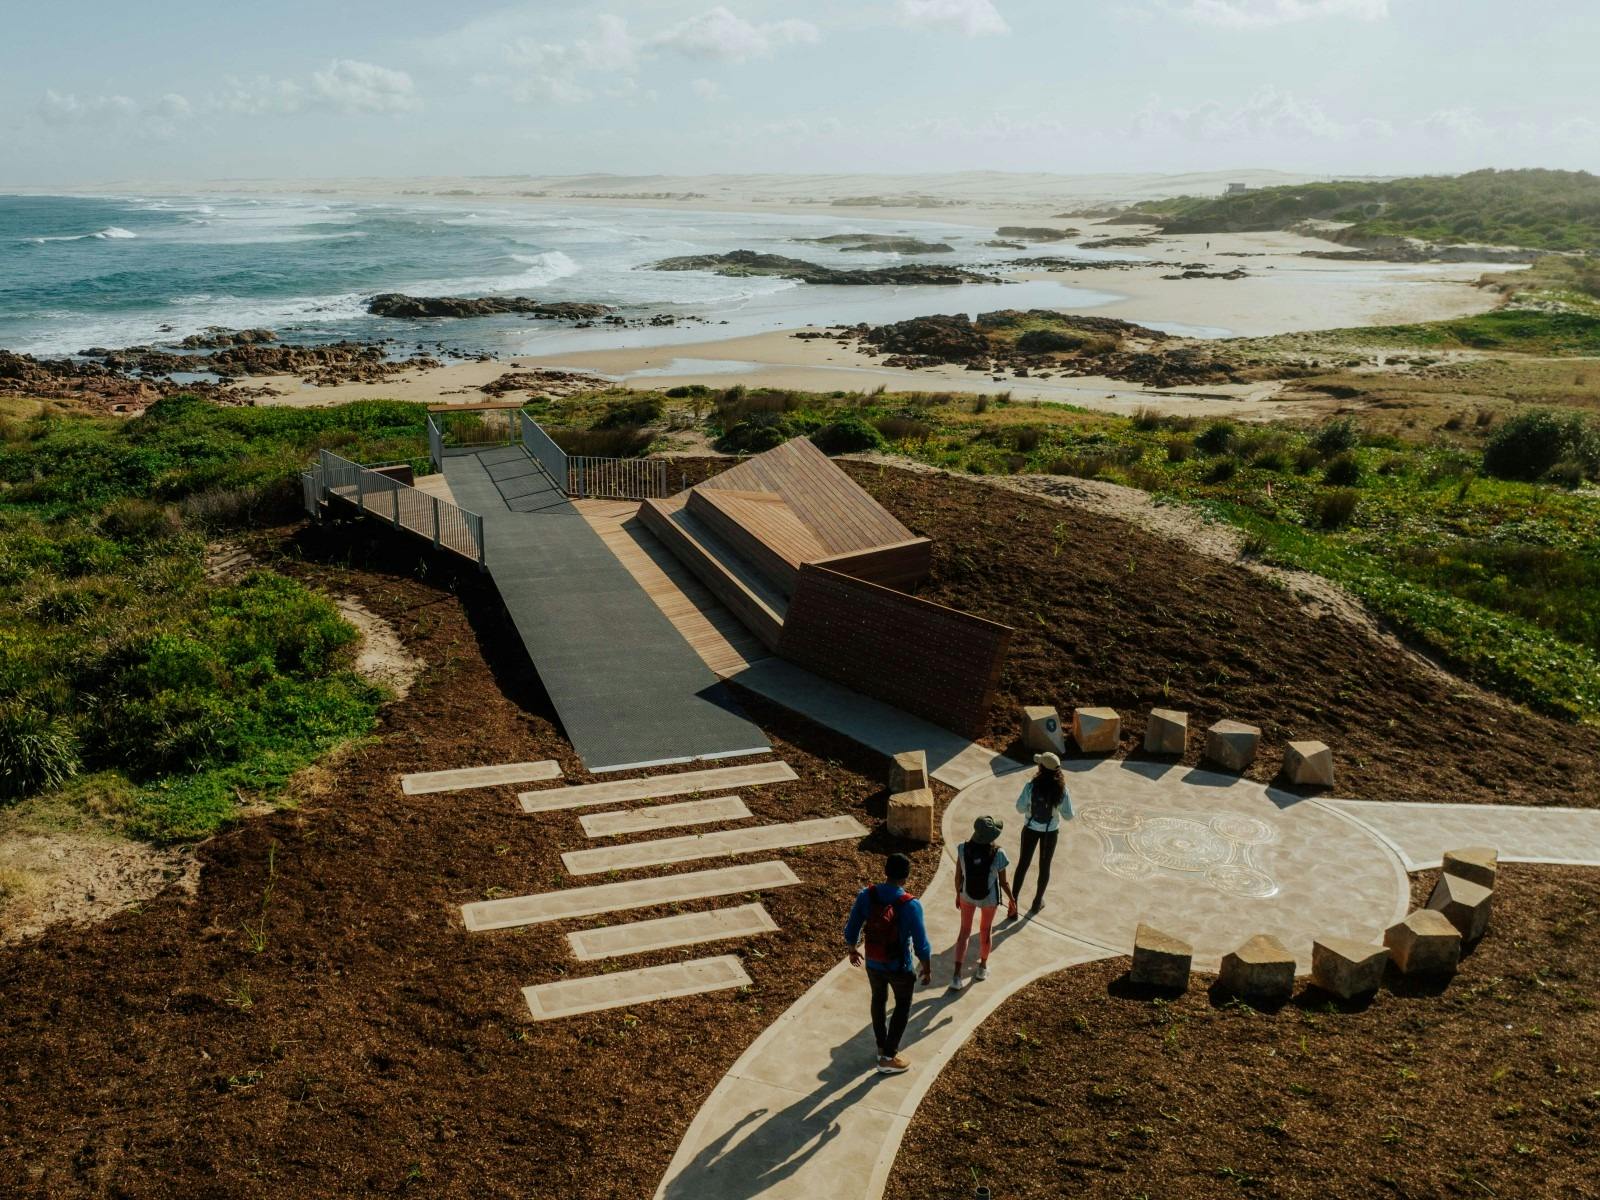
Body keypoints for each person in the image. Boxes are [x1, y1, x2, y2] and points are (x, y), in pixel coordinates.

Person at [845, 852, 933, 1075]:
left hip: (873, 962)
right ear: (906, 877)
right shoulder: (911, 905)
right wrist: (926, 966)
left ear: (885, 872)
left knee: (878, 1000)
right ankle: (888, 1057)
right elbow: (921, 942)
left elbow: (852, 926)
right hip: (899, 967)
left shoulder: (867, 895)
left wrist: (852, 949)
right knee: (902, 1006)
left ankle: (881, 1046)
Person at [950, 816, 1015, 991]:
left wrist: (958, 894)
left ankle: (956, 976)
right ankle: (982, 968)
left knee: (964, 931)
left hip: (966, 895)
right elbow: (1003, 882)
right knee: (985, 931)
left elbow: (958, 877)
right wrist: (1012, 899)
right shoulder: (999, 853)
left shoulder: (962, 849)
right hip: (989, 899)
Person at [1012, 751, 1073, 915]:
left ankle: (1013, 903)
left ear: (1041, 768)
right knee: (1044, 868)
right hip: (1050, 833)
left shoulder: (1031, 786)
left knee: (1023, 864)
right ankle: (1037, 902)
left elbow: (1019, 808)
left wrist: (1029, 810)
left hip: (1030, 829)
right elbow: (1069, 816)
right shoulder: (1062, 791)